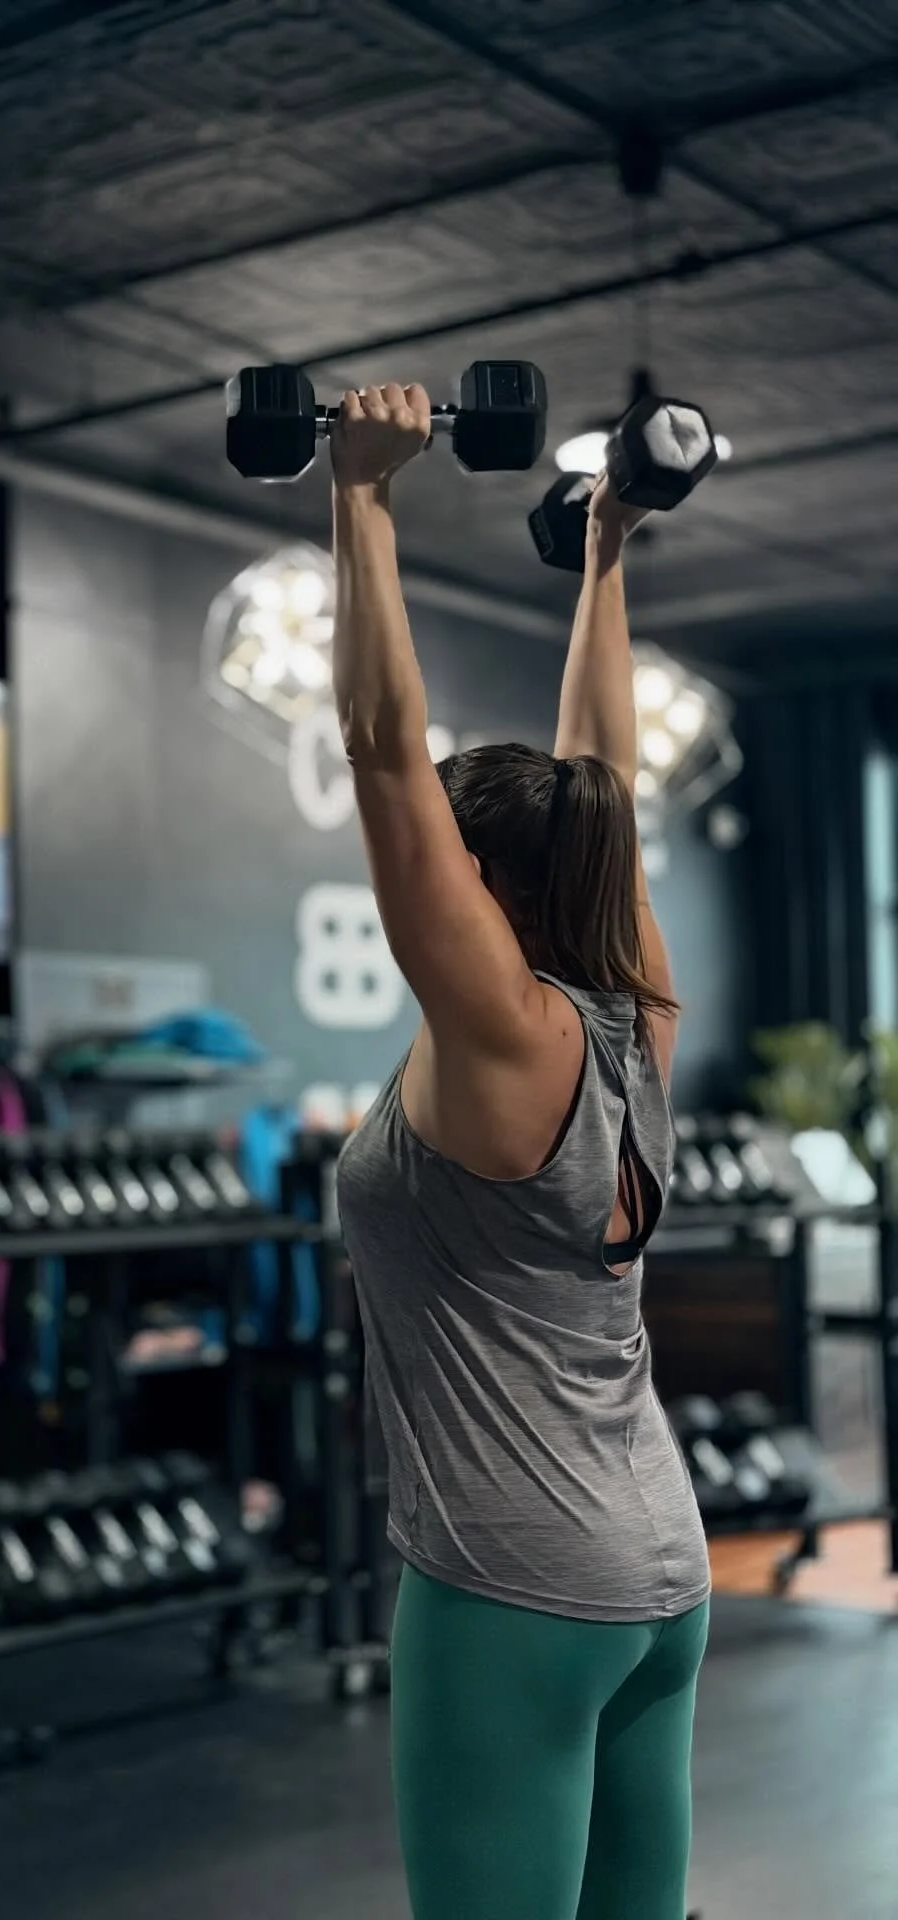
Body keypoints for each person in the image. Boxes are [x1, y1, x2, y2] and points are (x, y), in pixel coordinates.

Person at [330, 384, 709, 1920]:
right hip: (660, 1577)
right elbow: (598, 787)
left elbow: (377, 752)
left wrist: (361, 500)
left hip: (513, 1588)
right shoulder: (634, 1015)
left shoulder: (504, 1039)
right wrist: (605, 552)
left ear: (478, 888)